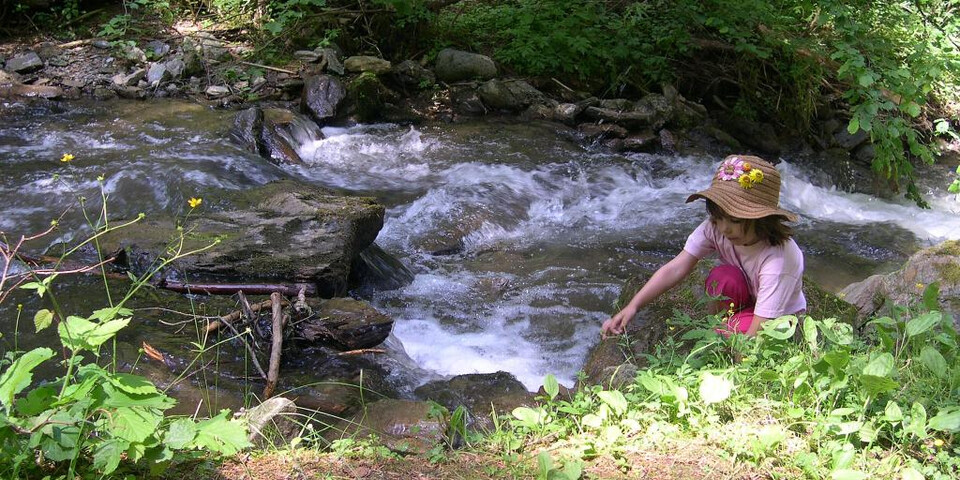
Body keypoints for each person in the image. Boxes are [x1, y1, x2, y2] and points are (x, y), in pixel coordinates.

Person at [601, 154, 805, 337]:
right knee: (722, 277)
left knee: (731, 333)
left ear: (762, 219)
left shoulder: (778, 259)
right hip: (747, 300)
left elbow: (761, 330)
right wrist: (633, 306)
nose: (724, 229)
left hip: (777, 319)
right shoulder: (715, 228)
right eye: (717, 218)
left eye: (735, 220)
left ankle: (722, 332)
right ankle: (718, 326)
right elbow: (676, 267)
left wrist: (738, 356)